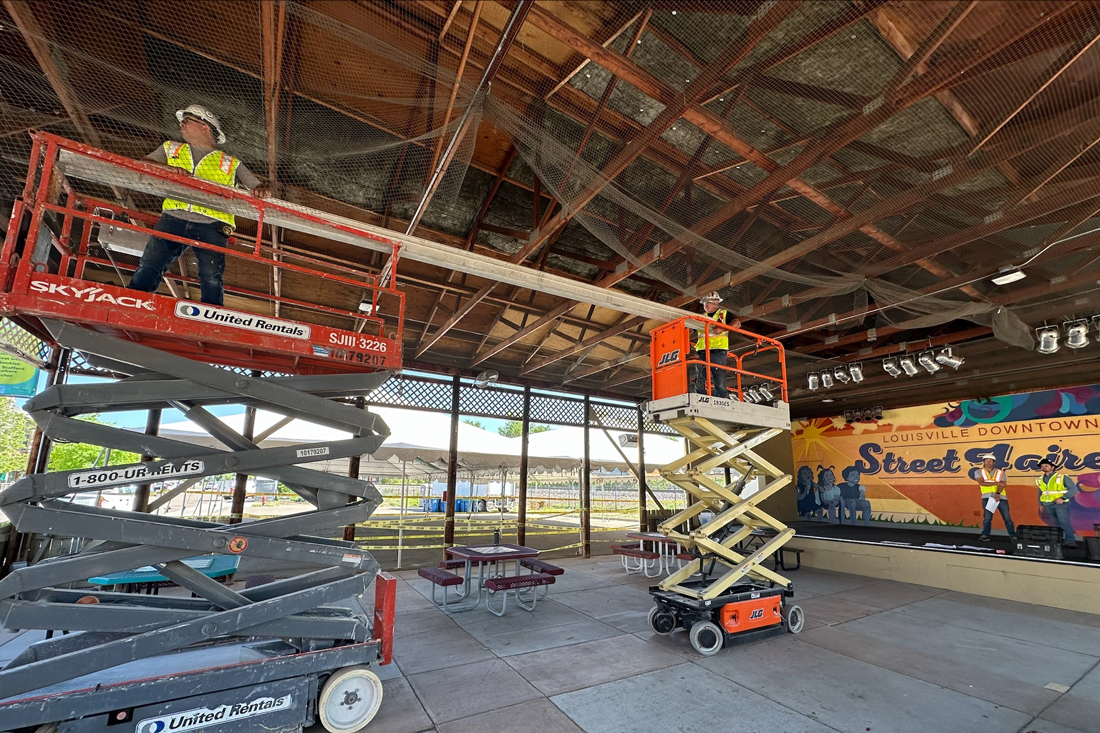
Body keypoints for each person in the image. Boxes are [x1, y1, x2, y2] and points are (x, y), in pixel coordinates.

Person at [128, 104, 268, 306]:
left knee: (211, 276)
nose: (181, 124)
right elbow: (143, 164)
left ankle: (211, 316)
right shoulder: (171, 148)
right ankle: (132, 302)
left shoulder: (229, 162)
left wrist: (262, 190)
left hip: (212, 224)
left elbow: (258, 188)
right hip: (174, 217)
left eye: (186, 120)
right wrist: (168, 169)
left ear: (205, 126)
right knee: (150, 264)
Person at [688, 291, 739, 398]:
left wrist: (722, 328)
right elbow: (689, 330)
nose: (705, 304)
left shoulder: (724, 314)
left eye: (709, 302)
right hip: (702, 352)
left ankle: (721, 399)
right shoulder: (701, 317)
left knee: (719, 378)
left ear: (716, 302)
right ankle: (700, 397)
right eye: (704, 303)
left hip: (718, 351)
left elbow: (737, 324)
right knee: (700, 378)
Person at [1036, 458, 1078, 547]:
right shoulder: (1040, 479)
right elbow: (1040, 492)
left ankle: (1070, 541)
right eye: (1042, 466)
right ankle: (1061, 540)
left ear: (1053, 467)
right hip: (1046, 504)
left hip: (1060, 504)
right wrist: (1040, 504)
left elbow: (1074, 489)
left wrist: (1063, 498)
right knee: (1056, 523)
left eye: (1046, 466)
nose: (1043, 467)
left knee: (1064, 522)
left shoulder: (1062, 477)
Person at [975, 452, 1016, 541]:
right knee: (987, 518)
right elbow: (981, 483)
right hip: (987, 497)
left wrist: (997, 494)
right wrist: (996, 483)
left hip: (1001, 497)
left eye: (990, 461)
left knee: (1007, 517)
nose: (988, 462)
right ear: (983, 462)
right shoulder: (978, 472)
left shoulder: (1000, 472)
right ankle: (985, 535)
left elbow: (1003, 484)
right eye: (986, 461)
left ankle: (1013, 535)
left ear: (994, 462)